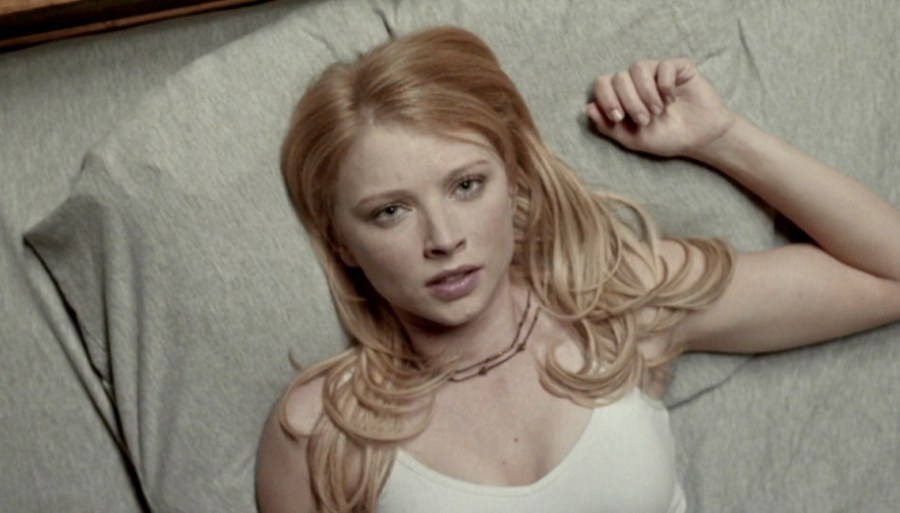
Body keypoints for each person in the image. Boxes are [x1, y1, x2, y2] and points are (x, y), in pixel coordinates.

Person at [256, 26, 900, 513]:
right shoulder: (319, 431)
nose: (444, 239)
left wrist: (721, 138)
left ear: (514, 183)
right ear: (342, 242)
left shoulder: (617, 305)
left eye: (467, 185)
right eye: (391, 211)